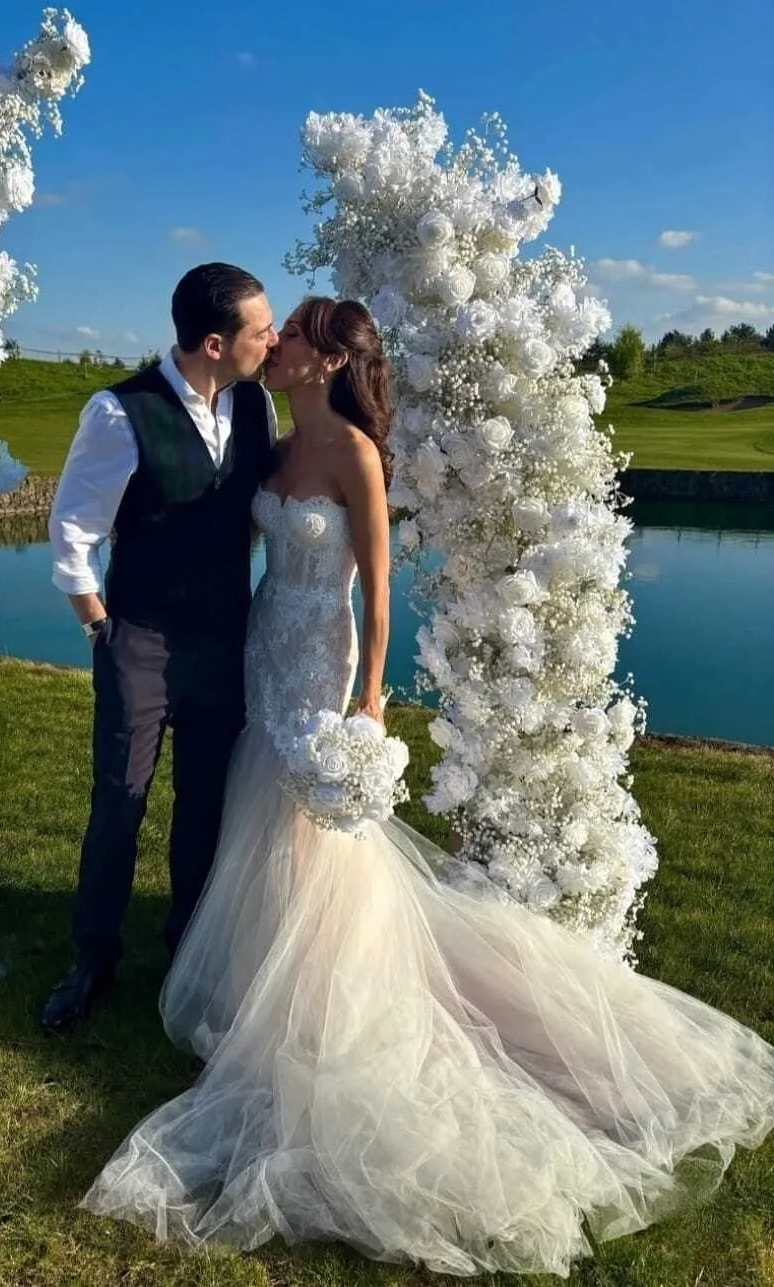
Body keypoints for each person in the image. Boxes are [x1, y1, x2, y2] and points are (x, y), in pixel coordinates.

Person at [81, 297, 774, 1277]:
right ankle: (257, 980)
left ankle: (326, 998)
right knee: (260, 813)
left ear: (324, 360)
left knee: (322, 834)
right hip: (260, 647)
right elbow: (236, 549)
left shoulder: (358, 458)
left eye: (291, 337)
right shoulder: (269, 441)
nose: (273, 345)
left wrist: (367, 698)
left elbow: (374, 586)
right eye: (265, 333)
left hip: (323, 660)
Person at [42, 263, 279, 1032]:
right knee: (120, 799)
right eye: (260, 329)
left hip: (223, 642)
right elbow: (72, 536)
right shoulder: (119, 413)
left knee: (205, 804)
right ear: (215, 342)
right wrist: (100, 628)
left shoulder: (256, 406)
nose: (270, 340)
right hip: (137, 639)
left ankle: (189, 947)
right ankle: (92, 955)